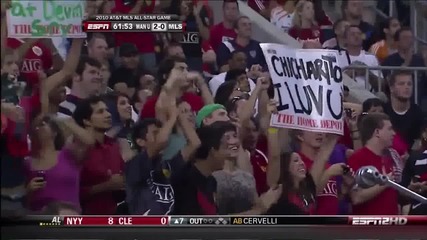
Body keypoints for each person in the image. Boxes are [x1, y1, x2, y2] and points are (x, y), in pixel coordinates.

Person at [172, 121, 281, 215]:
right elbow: (209, 225)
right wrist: (259, 209)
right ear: (213, 151)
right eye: (225, 148)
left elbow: (219, 222)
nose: (227, 158)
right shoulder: (186, 181)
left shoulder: (211, 181)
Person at [73, 95, 125, 215]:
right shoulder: (76, 149)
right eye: (100, 112)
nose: (108, 114)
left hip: (112, 217)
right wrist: (105, 186)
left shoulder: (114, 146)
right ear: (86, 121)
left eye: (107, 110)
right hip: (84, 219)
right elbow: (69, 191)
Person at [347, 113, 399, 215]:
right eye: (389, 129)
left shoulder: (387, 159)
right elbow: (356, 197)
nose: (394, 133)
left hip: (392, 226)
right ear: (377, 132)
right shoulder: (358, 158)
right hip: (369, 228)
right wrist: (385, 183)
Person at [139, 56, 205, 120]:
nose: (187, 73)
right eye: (181, 69)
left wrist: (201, 82)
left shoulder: (195, 100)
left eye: (187, 70)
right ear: (165, 76)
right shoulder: (151, 105)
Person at [383, 71, 424, 152]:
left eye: (409, 84)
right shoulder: (383, 112)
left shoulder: (418, 113)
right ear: (391, 88)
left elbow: (420, 140)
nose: (406, 87)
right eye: (401, 84)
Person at [344, 25, 383, 91]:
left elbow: (381, 84)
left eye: (359, 34)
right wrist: (349, 73)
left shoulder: (371, 57)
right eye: (352, 34)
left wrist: (366, 72)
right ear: (345, 39)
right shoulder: (338, 56)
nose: (356, 36)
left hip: (370, 95)